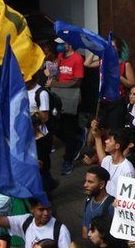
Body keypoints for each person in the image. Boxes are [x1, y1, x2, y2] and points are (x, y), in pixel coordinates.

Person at [51, 40, 84, 177]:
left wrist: (57, 85)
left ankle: (68, 160)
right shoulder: (60, 56)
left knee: (68, 129)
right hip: (58, 96)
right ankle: (77, 140)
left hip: (71, 96)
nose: (59, 46)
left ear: (69, 44)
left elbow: (77, 81)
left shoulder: (77, 58)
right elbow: (57, 75)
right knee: (55, 127)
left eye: (62, 43)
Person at [0, 199, 71, 248]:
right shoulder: (25, 221)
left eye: (49, 209)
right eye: (41, 209)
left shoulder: (60, 230)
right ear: (32, 209)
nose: (46, 213)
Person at [89, 126, 135, 197]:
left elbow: (128, 197)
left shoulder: (128, 170)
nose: (106, 141)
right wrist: (97, 138)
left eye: (110, 140)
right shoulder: (107, 160)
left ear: (117, 146)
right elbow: (102, 157)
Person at [81, 166, 114, 237]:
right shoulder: (88, 200)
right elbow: (85, 228)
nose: (85, 185)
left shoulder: (112, 206)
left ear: (101, 184)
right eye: (86, 181)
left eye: (90, 182)